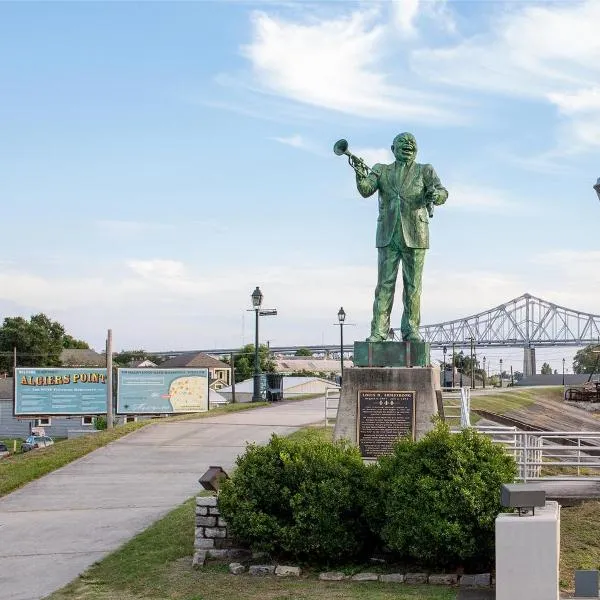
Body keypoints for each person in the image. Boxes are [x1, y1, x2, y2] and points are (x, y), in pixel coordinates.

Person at [356, 132, 448, 342]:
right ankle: (379, 331)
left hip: (416, 233)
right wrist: (360, 174)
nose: (408, 145)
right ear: (393, 148)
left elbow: (443, 192)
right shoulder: (381, 170)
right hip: (388, 234)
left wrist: (436, 195)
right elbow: (365, 189)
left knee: (413, 286)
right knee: (384, 285)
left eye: (412, 143)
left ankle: (410, 330)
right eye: (403, 142)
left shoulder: (425, 170)